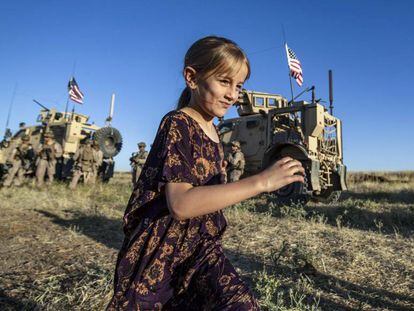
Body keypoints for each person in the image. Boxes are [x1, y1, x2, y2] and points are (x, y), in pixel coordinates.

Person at [107, 36, 304, 310]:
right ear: (191, 77)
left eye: (239, 86)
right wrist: (261, 181)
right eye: (224, 81)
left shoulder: (214, 132)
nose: (233, 94)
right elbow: (181, 204)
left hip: (200, 250)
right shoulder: (178, 123)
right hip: (163, 255)